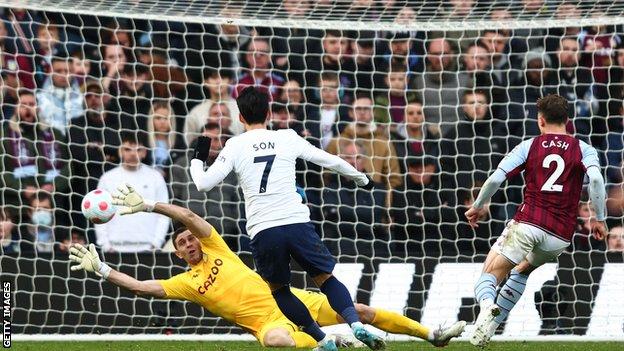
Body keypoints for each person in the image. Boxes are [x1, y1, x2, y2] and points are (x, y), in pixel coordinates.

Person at [68, 185, 465, 348]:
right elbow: (141, 287)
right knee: (280, 342)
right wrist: (101, 269)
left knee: (359, 310)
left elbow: (189, 215)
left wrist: (153, 205)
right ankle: (331, 344)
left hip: (293, 300)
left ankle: (433, 334)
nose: (189, 242)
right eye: (182, 243)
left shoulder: (216, 247)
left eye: (189, 238)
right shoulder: (186, 282)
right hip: (267, 324)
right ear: (177, 253)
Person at [189, 87, 381, 351]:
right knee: (326, 279)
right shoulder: (287, 137)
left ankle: (323, 340)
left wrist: (197, 159)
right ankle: (355, 323)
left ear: (241, 118)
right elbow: (330, 161)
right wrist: (363, 179)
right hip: (296, 222)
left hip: (264, 230)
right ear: (269, 113)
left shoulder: (234, 145)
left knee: (280, 291)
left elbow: (202, 184)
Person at [464, 94, 607, 347]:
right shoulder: (584, 148)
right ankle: (488, 330)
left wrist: (478, 205)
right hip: (560, 235)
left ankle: (487, 309)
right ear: (567, 120)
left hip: (529, 223)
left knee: (489, 274)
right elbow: (596, 180)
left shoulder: (529, 146)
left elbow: (497, 178)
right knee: (522, 270)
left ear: (540, 121)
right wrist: (599, 219)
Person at [95, 132, 170, 252]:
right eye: (127, 149)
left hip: (147, 248)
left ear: (144, 152)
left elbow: (164, 213)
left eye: (138, 150)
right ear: (120, 151)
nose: (133, 154)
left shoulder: (155, 177)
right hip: (114, 248)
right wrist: (105, 245)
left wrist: (156, 243)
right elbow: (99, 213)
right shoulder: (107, 178)